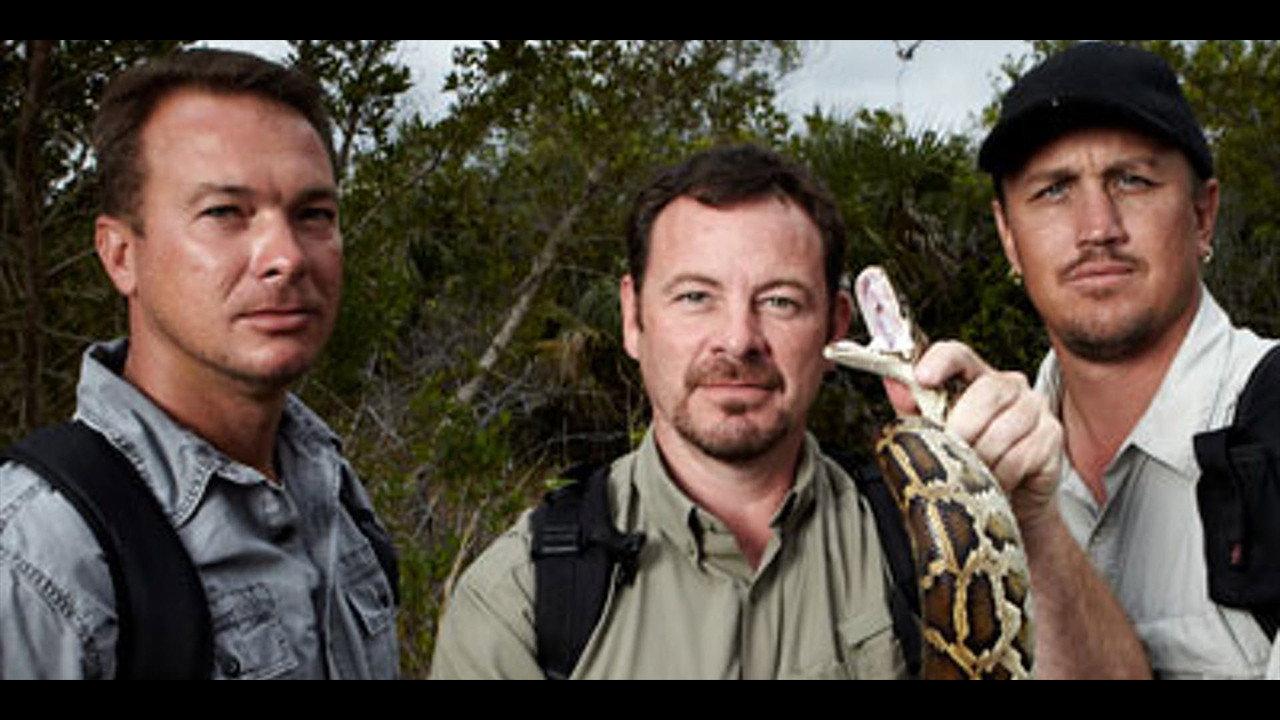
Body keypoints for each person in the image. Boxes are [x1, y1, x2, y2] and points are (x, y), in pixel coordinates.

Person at [431, 144, 1114, 679]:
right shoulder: (521, 597)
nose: (738, 340)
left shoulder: (909, 531)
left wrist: (1029, 519)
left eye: (781, 301)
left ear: (835, 328)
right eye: (695, 297)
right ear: (633, 318)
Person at [0, 49, 399, 679]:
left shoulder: (331, 491)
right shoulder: (42, 558)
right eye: (224, 213)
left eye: (313, 215)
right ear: (120, 254)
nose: (287, 256)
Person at [980, 41, 1280, 678]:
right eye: (1053, 190)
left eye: (1132, 181)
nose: (1097, 228)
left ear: (1203, 215)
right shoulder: (972, 472)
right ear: (1008, 236)